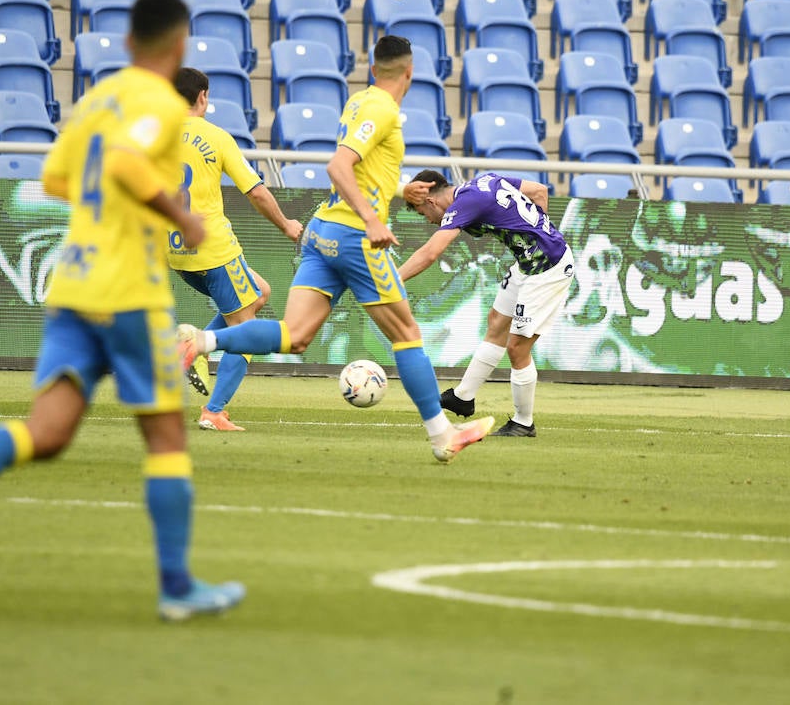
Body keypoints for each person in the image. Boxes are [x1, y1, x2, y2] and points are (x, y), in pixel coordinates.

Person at [0, 0, 247, 620]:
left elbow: (53, 181)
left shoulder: (99, 101)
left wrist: (109, 199)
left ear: (129, 44)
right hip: (127, 291)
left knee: (46, 433)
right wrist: (178, 212)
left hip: (72, 284)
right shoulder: (159, 102)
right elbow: (129, 163)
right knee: (166, 435)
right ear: (178, 47)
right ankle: (177, 587)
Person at [177, 35, 495, 462]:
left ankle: (202, 341)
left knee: (295, 336)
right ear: (410, 72)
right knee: (406, 334)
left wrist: (400, 188)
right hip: (352, 236)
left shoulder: (359, 102)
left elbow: (357, 169)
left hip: (321, 230)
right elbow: (339, 166)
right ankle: (442, 436)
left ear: (372, 68)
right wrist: (371, 218)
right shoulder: (384, 109)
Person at [168, 68, 304, 432]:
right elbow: (256, 191)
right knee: (247, 332)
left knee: (259, 291)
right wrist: (288, 225)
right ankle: (213, 411)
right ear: (203, 97)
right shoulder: (216, 138)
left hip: (177, 254)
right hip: (214, 250)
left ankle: (192, 344)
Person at [398, 169, 577, 437]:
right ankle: (463, 397)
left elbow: (432, 251)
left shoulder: (465, 203)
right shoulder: (485, 180)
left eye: (425, 215)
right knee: (496, 322)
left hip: (547, 269)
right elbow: (540, 190)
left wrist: (395, 279)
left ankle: (523, 423)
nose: (431, 221)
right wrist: (537, 233)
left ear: (431, 201)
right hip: (528, 264)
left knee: (517, 348)